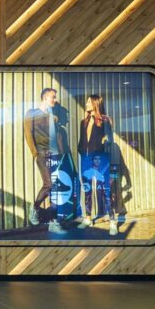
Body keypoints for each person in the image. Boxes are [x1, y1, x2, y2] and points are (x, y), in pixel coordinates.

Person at [24, 87, 69, 234]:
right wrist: (35, 153)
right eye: (53, 97)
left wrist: (61, 155)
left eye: (55, 97)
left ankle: (54, 222)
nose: (55, 100)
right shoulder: (32, 113)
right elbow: (28, 134)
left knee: (56, 188)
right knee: (48, 184)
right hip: (42, 154)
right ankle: (35, 208)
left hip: (55, 155)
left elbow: (57, 138)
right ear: (45, 97)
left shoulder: (53, 117)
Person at [76, 94, 117, 235]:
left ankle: (113, 221)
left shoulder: (104, 120)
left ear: (95, 103)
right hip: (85, 158)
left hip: (100, 158)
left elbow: (109, 140)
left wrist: (103, 145)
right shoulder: (84, 122)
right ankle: (88, 218)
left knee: (105, 189)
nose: (86, 104)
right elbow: (82, 140)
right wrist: (81, 151)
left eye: (89, 102)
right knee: (87, 188)